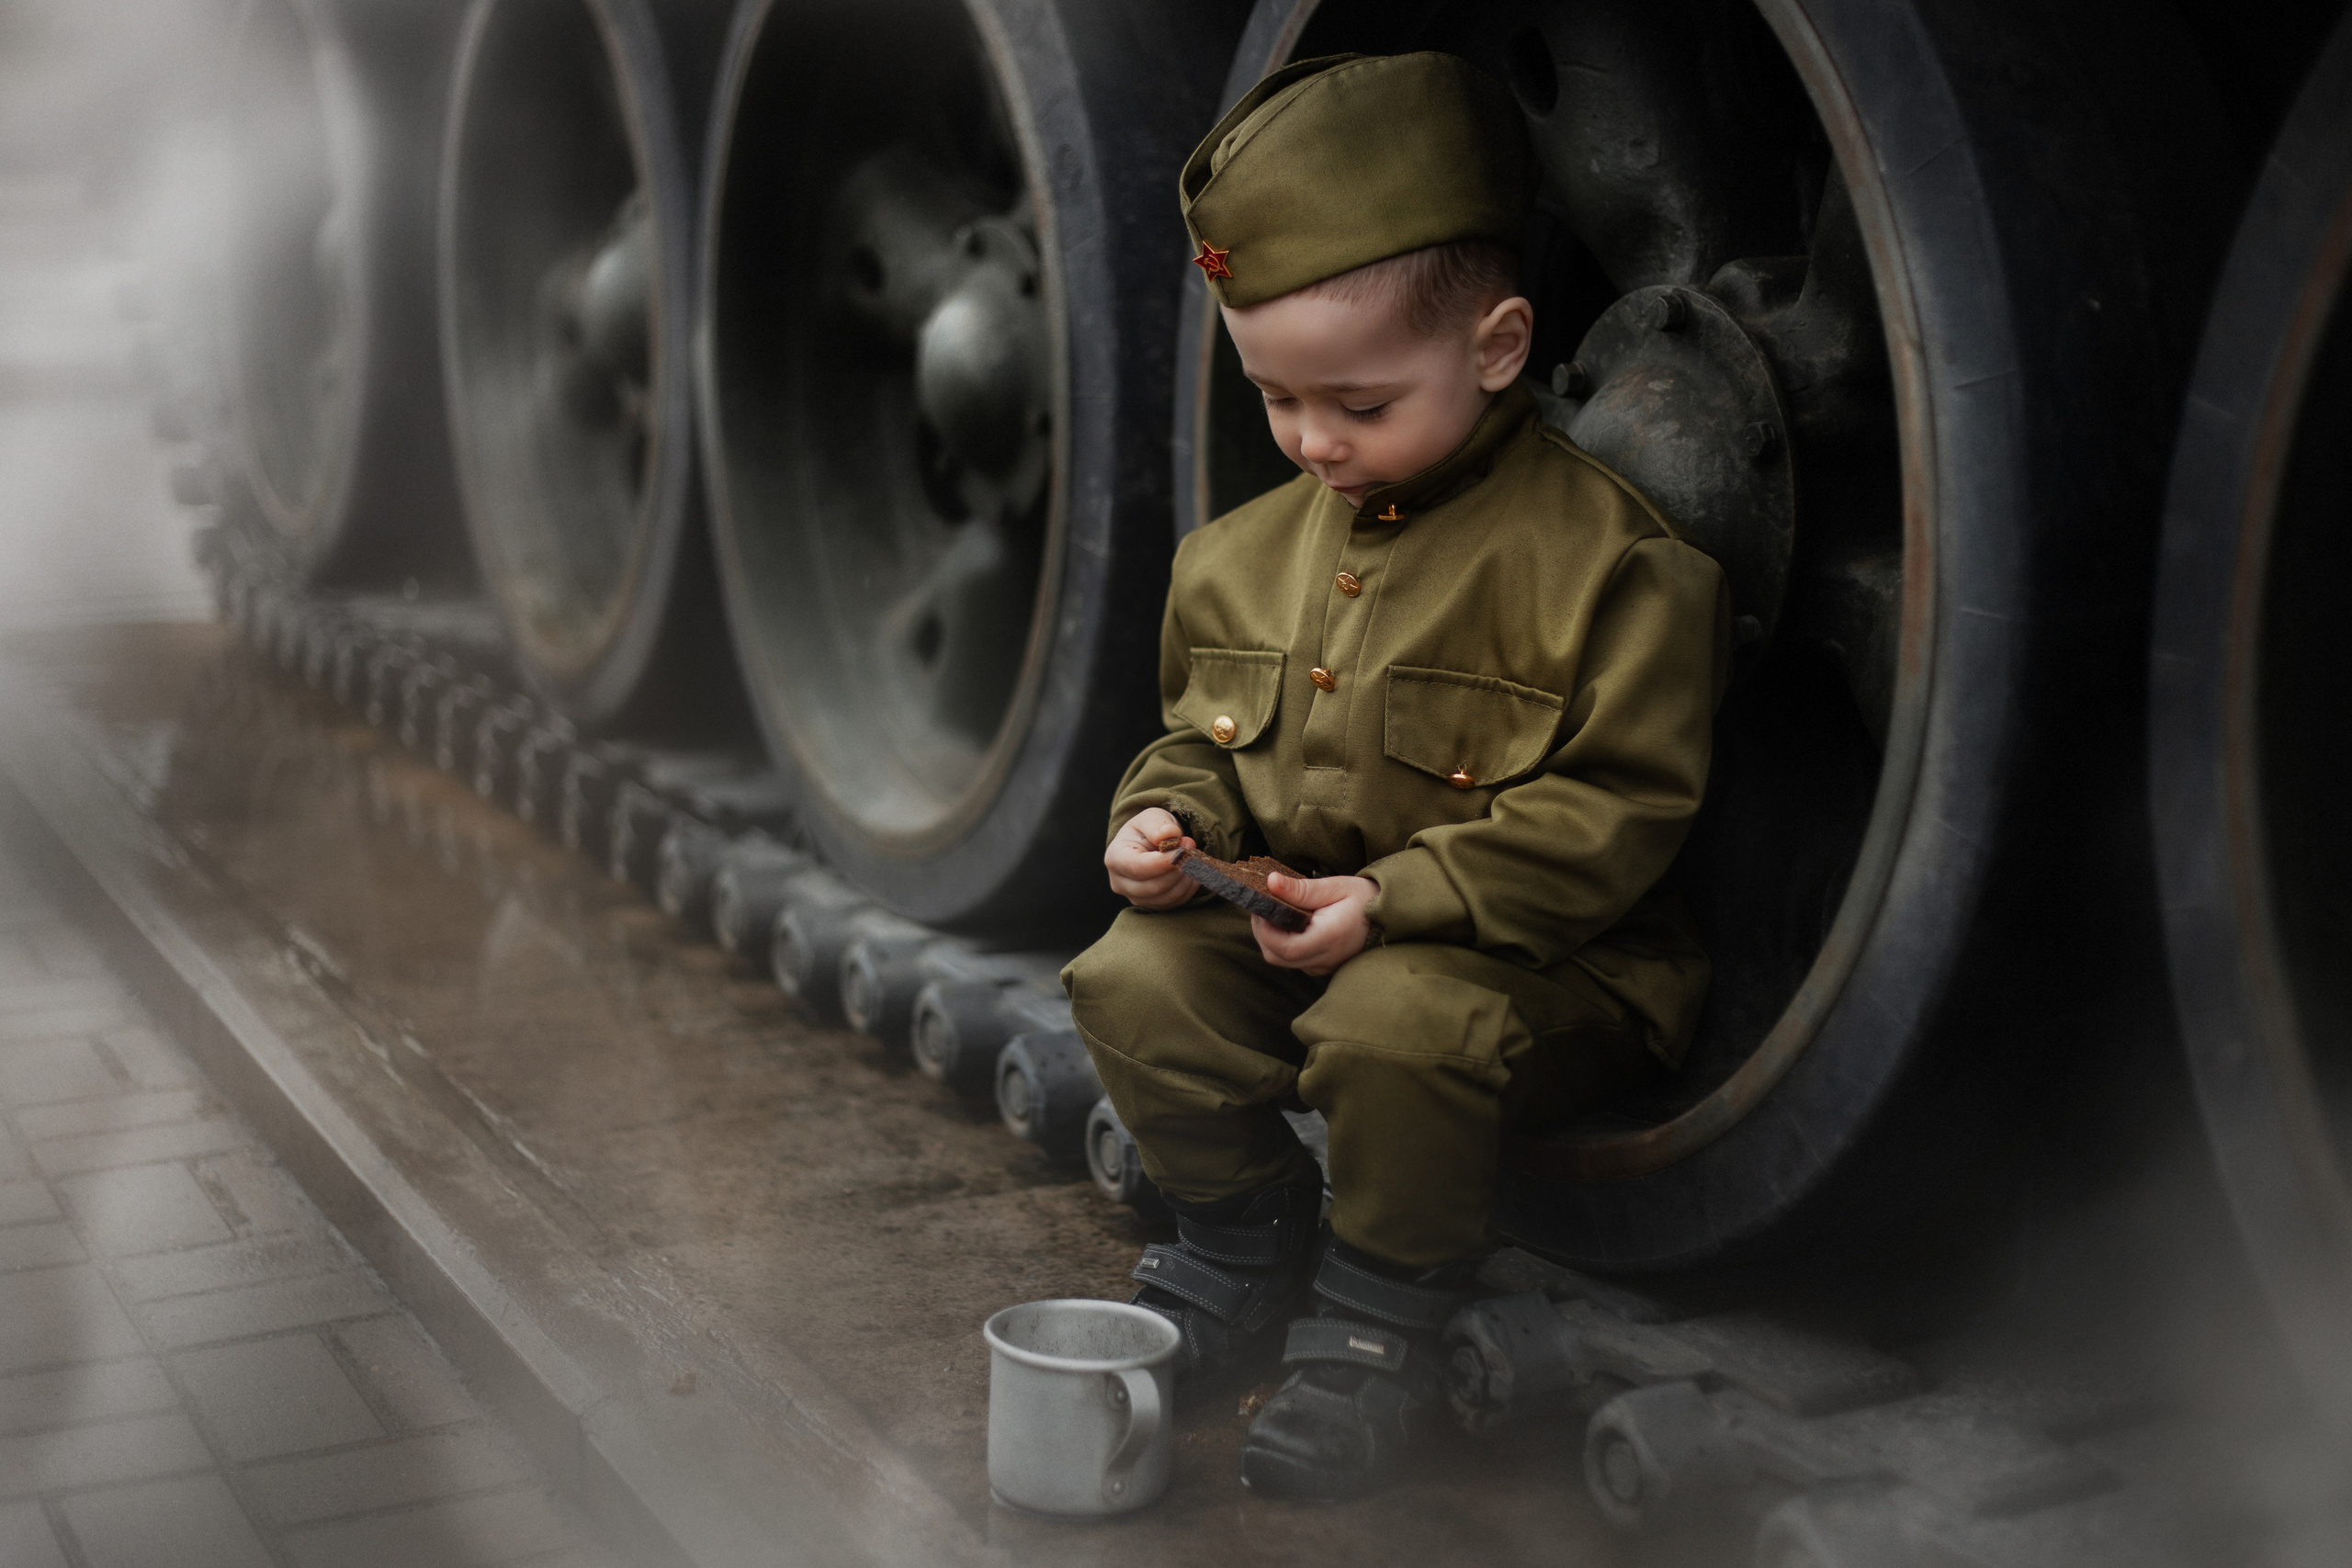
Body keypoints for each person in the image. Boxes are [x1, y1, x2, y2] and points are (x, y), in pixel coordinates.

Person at [1059, 51, 1729, 1499]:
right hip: (1303, 930)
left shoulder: (1611, 563)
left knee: (1393, 1026)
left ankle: (1376, 1328)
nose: (1311, 442)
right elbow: (1201, 737)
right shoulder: (1236, 557)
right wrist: (1164, 818)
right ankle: (1244, 1241)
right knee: (1130, 979)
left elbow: (1619, 814)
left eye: (1356, 402)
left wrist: (1396, 896)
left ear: (1496, 347)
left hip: (1537, 968)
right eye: (1276, 399)